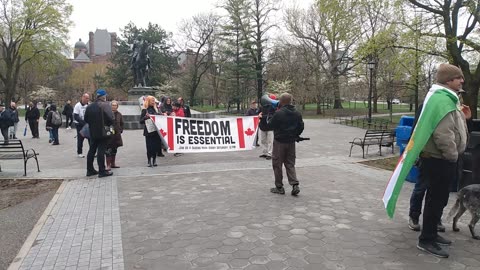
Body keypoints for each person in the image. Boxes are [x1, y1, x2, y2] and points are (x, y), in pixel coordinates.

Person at [416, 63, 468, 258]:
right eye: (458, 78)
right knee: (435, 199)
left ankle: (432, 233)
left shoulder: (447, 99)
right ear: (448, 80)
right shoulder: (442, 101)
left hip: (442, 159)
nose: (462, 80)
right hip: (440, 159)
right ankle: (426, 239)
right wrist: (453, 156)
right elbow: (443, 134)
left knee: (438, 199)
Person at [258, 93, 304, 196]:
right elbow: (301, 127)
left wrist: (262, 119)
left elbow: (267, 127)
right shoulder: (297, 113)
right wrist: (295, 134)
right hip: (291, 142)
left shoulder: (279, 114)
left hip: (279, 142)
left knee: (277, 164)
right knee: (290, 163)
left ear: (281, 102)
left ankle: (279, 187)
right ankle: (295, 184)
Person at [84, 89, 114, 178]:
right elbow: (111, 118)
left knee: (91, 150)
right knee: (101, 151)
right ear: (104, 96)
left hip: (92, 132)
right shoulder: (105, 105)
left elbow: (86, 119)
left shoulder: (89, 106)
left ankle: (89, 170)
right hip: (103, 132)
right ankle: (102, 171)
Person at [140, 95, 162, 167]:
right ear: (148, 101)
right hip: (149, 131)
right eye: (152, 100)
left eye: (154, 100)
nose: (153, 102)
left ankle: (154, 160)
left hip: (156, 131)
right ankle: (149, 160)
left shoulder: (156, 110)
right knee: (149, 147)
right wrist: (146, 117)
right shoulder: (145, 110)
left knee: (155, 146)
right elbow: (141, 121)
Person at [105, 101, 124, 170]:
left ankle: (113, 164)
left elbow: (122, 123)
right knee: (108, 150)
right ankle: (108, 165)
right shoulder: (107, 113)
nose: (114, 106)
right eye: (112, 105)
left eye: (115, 105)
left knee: (114, 150)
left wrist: (120, 130)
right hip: (109, 135)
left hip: (117, 135)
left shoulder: (119, 114)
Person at [258, 94, 276, 160]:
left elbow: (271, 116)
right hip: (263, 125)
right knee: (263, 140)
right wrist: (259, 114)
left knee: (270, 141)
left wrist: (262, 116)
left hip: (270, 127)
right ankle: (264, 152)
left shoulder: (274, 108)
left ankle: (269, 153)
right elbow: (258, 112)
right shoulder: (263, 106)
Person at [74, 93, 90, 158]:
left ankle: (92, 151)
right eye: (86, 98)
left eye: (88, 98)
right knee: (80, 138)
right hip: (79, 125)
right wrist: (83, 123)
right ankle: (79, 152)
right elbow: (76, 116)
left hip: (88, 124)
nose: (87, 100)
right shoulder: (77, 105)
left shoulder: (88, 105)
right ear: (83, 98)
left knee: (90, 138)